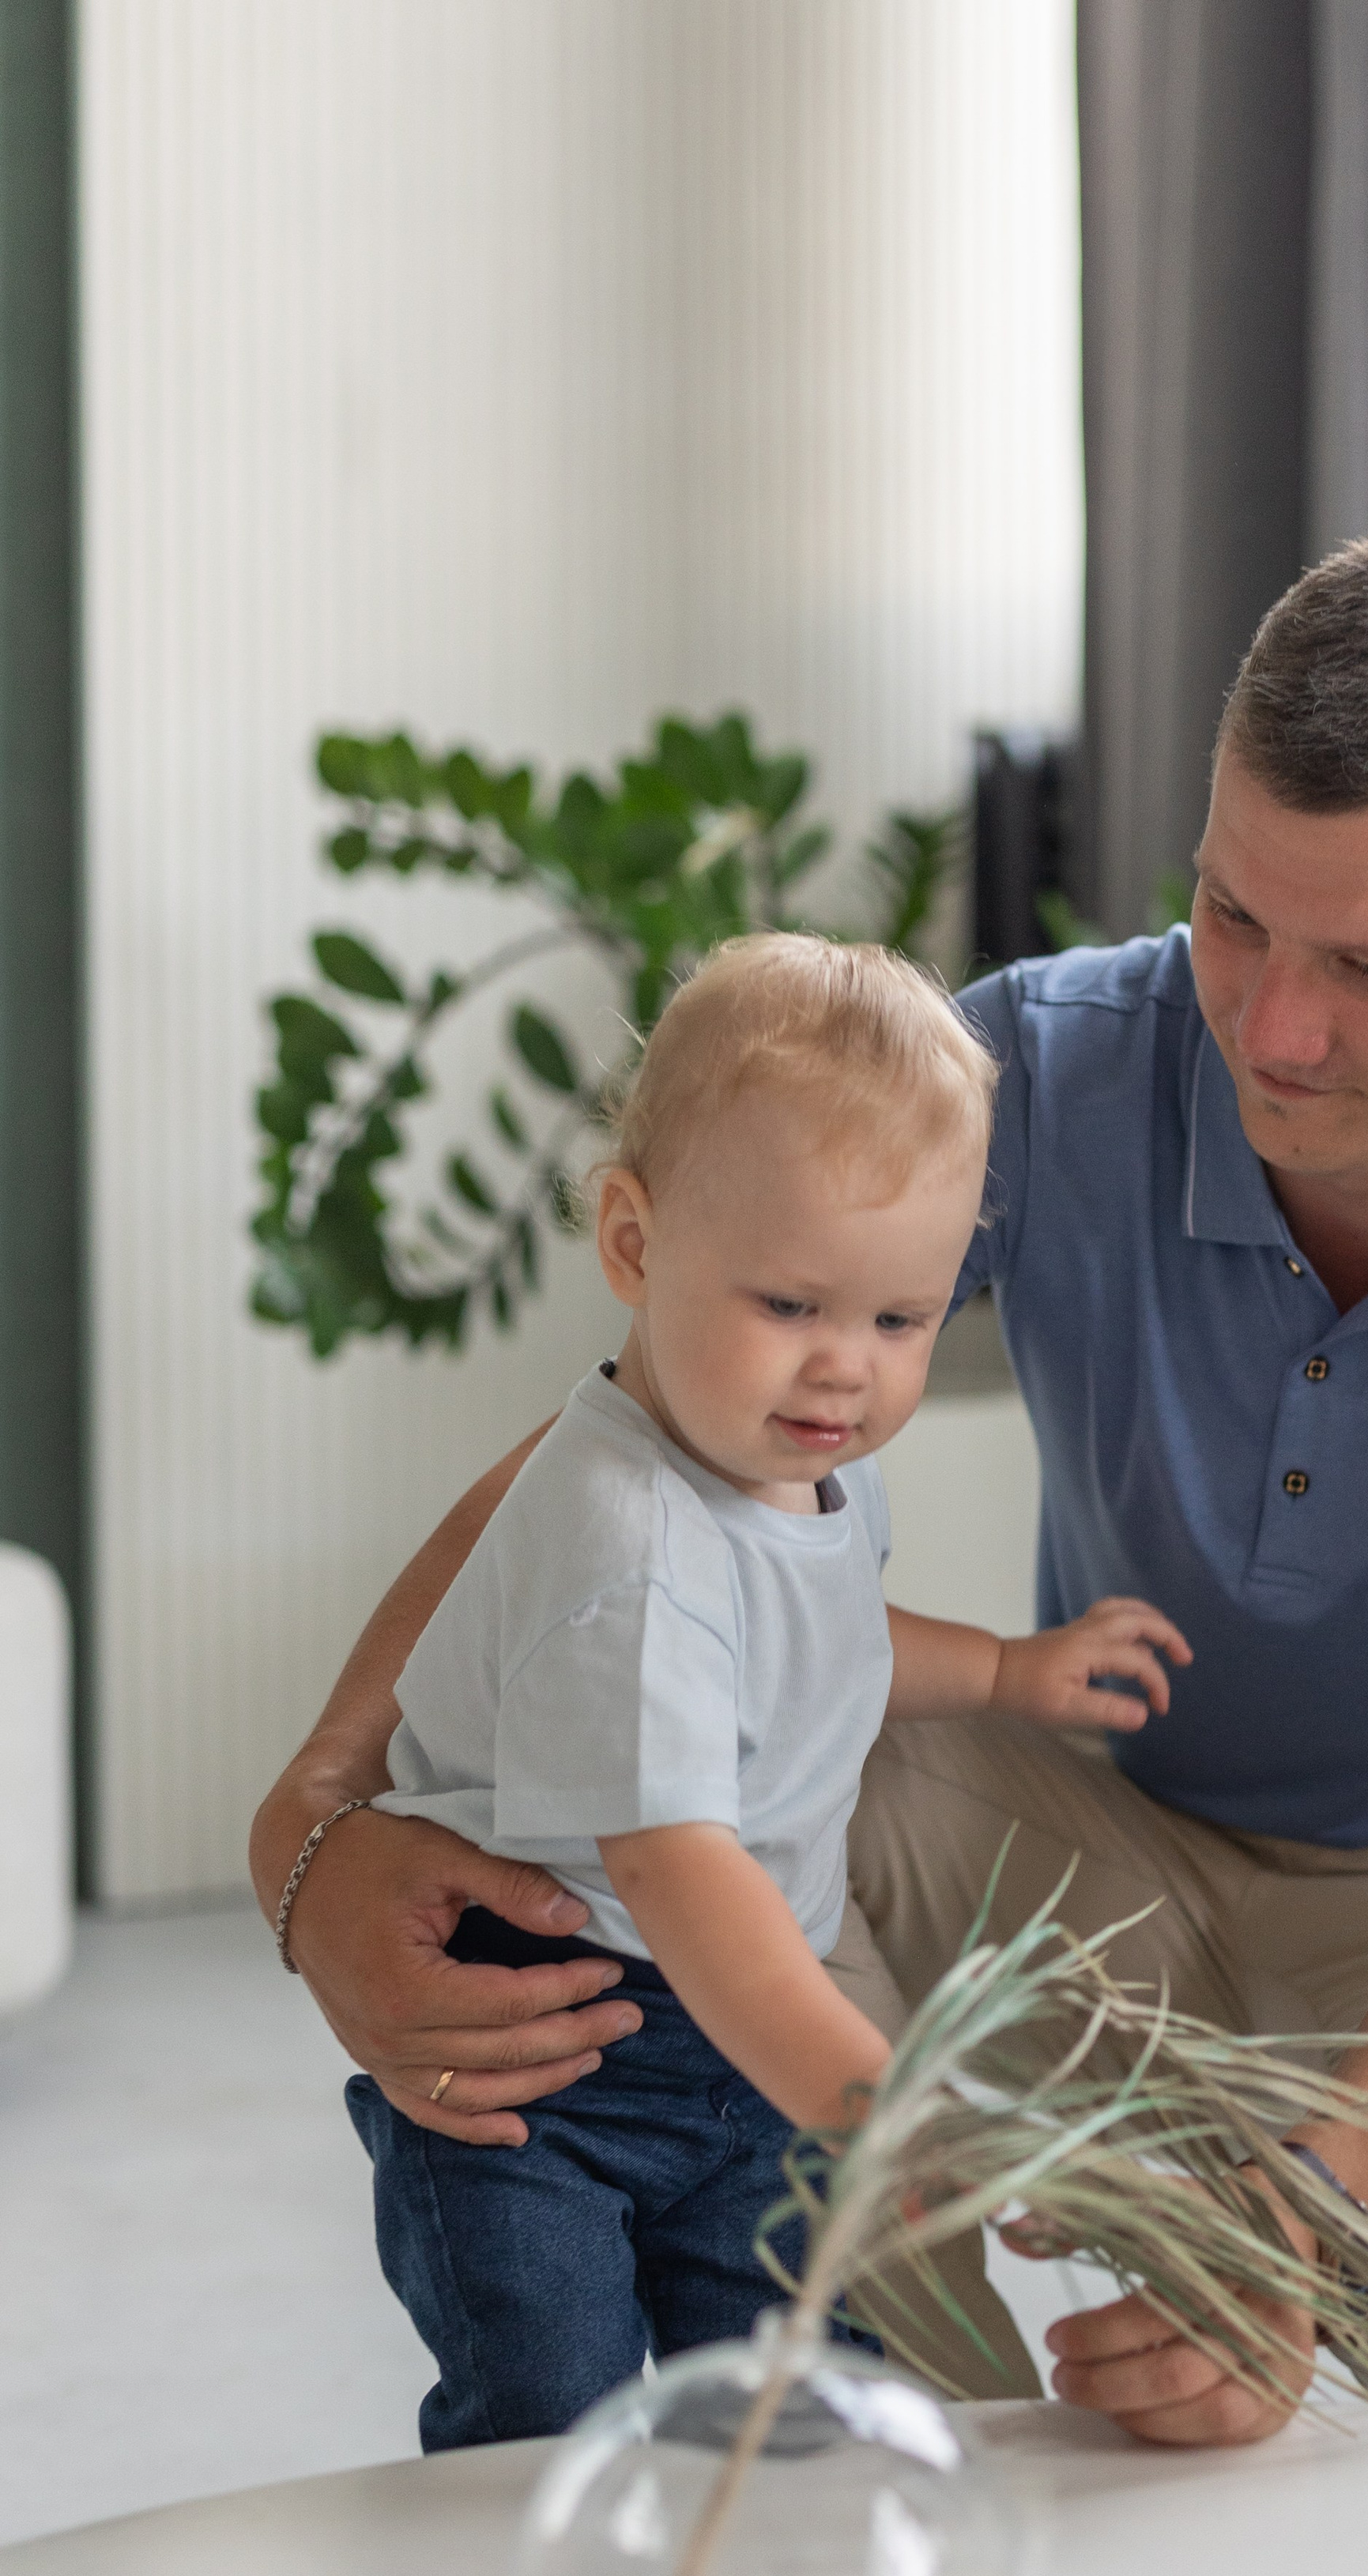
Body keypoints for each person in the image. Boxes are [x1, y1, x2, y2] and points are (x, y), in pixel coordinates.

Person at [253, 518, 1368, 2444]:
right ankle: (967, 2469)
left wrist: (1305, 2235)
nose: (1266, 1026)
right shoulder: (1052, 1065)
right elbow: (641, 1448)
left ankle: (1261, 2330)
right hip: (1104, 1825)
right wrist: (318, 1820)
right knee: (709, 1794)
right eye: (1232, 915)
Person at [338, 932, 1190, 2448]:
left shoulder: (795, 1467)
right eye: (791, 1304)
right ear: (633, 1244)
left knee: (795, 2399)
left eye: (898, 1320)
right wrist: (877, 2109)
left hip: (733, 2030)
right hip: (554, 2060)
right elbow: (680, 1876)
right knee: (553, 2414)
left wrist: (1004, 1669)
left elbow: (827, 1639)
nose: (844, 1374)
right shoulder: (629, 1542)